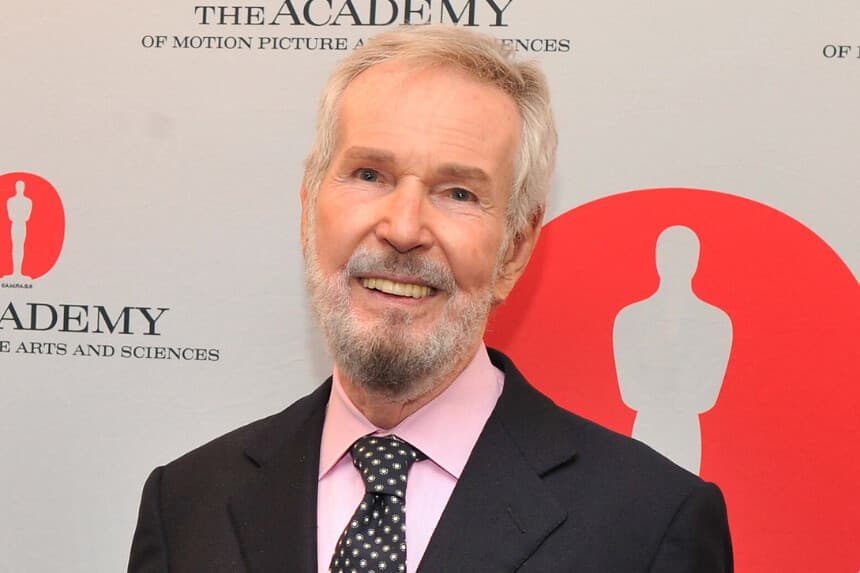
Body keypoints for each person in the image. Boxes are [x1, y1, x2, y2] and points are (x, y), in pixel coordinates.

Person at [128, 25, 733, 573]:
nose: (404, 227)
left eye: (458, 192)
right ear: (310, 211)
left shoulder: (652, 527)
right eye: (370, 176)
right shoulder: (185, 504)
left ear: (515, 248)